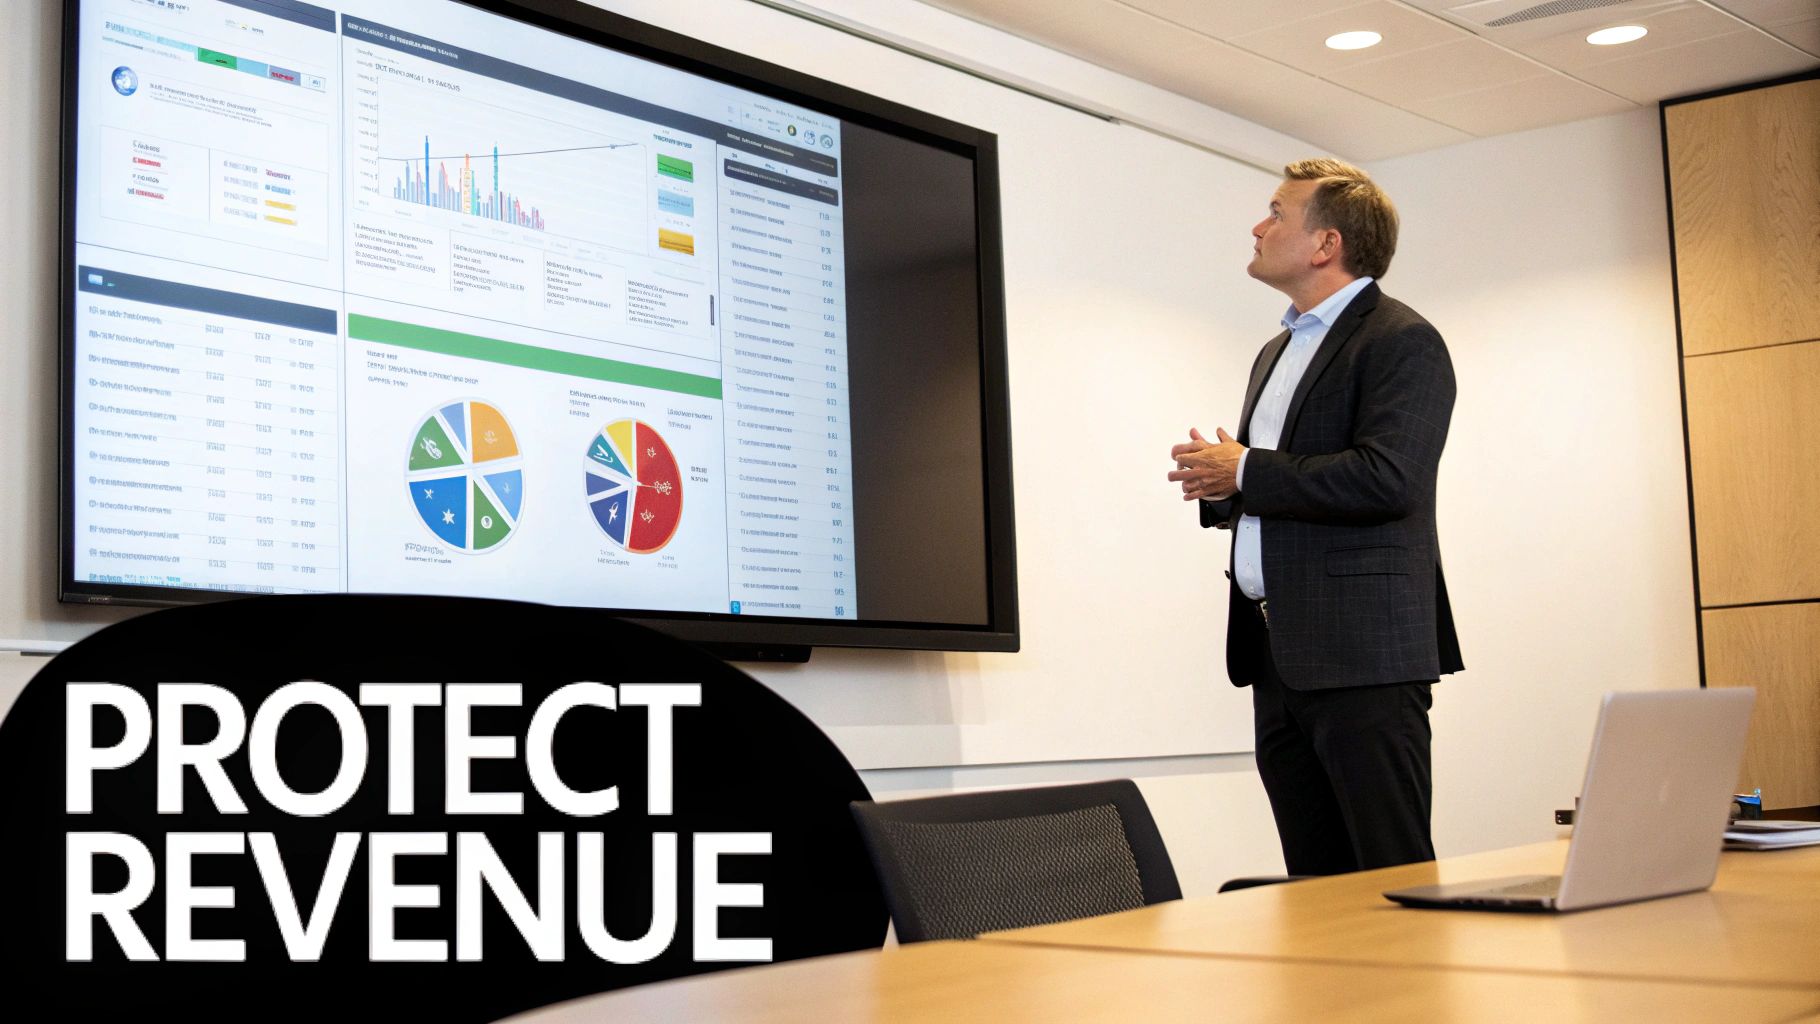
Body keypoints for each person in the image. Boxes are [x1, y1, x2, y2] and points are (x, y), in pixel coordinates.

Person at [1168, 159, 1462, 875]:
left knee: (1390, 875)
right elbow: (1282, 486)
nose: (1258, 226)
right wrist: (1223, 489)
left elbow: (1388, 479)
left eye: (1276, 212)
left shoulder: (1400, 339)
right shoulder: (1277, 349)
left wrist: (1244, 469)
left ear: (1326, 244)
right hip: (1277, 653)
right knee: (1314, 881)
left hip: (1365, 654)